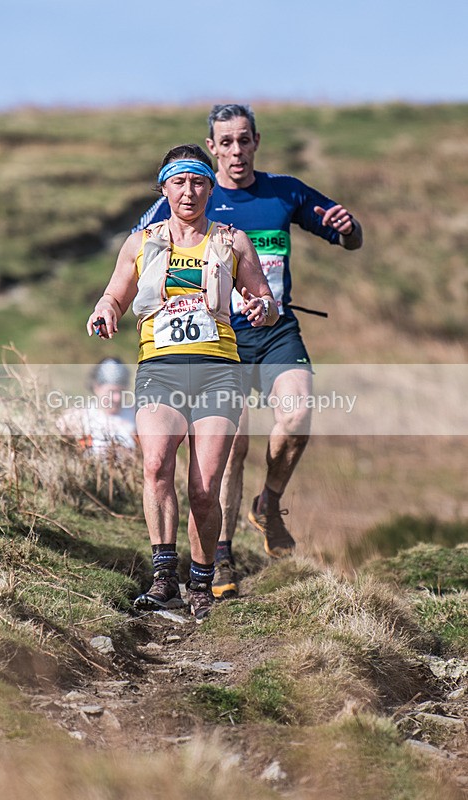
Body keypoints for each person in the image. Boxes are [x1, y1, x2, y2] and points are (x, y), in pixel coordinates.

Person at [133, 104, 363, 599]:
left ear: (256, 141)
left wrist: (348, 229)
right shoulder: (191, 192)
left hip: (276, 329)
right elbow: (138, 250)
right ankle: (221, 558)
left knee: (298, 415)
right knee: (228, 451)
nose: (236, 151)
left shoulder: (285, 192)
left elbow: (348, 237)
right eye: (226, 142)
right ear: (212, 147)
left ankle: (269, 503)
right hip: (217, 342)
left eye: (244, 140)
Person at [87, 143, 277, 622]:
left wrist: (261, 307)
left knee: (203, 486)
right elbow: (115, 293)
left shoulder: (232, 240)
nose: (188, 192)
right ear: (164, 188)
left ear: (210, 188)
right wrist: (105, 310)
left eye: (197, 182)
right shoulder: (141, 242)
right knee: (155, 465)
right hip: (161, 369)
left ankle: (200, 579)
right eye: (178, 182)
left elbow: (265, 301)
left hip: (217, 372)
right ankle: (164, 576)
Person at [57, 357, 137, 455]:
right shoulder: (77, 417)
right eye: (112, 392)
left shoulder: (136, 417)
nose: (117, 398)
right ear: (96, 387)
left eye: (122, 391)